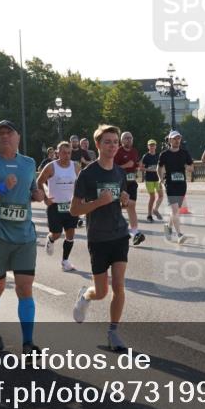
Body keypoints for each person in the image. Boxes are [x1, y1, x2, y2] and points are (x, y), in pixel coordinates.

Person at [0, 120, 45, 354]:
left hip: (25, 235)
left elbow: (31, 192)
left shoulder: (28, 163)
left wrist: (37, 194)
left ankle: (28, 343)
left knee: (25, 288)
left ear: (17, 138)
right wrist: (1, 189)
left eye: (8, 133)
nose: (4, 137)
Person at [70, 124, 131, 352]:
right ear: (98, 145)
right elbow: (74, 210)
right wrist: (98, 203)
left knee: (119, 285)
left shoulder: (119, 173)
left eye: (115, 142)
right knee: (102, 291)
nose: (113, 146)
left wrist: (123, 199)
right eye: (108, 142)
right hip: (98, 238)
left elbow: (119, 204)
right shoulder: (87, 175)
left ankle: (113, 332)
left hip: (119, 234)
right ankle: (86, 296)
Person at [37, 141, 81, 272]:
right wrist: (45, 198)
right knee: (56, 234)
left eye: (69, 153)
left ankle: (65, 261)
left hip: (70, 206)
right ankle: (50, 239)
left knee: (70, 234)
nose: (67, 155)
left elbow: (82, 183)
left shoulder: (76, 166)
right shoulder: (51, 167)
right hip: (55, 206)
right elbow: (38, 182)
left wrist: (81, 198)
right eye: (64, 153)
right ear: (58, 153)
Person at [157, 131, 194, 244]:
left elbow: (192, 168)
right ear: (169, 140)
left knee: (175, 210)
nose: (177, 140)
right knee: (174, 210)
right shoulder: (164, 154)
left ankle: (168, 226)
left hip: (182, 184)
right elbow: (159, 167)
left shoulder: (185, 153)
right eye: (174, 138)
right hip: (170, 184)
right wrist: (160, 178)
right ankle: (179, 234)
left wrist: (187, 167)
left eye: (178, 138)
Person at [113, 131, 147, 246]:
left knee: (131, 206)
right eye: (126, 138)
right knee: (119, 207)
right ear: (122, 141)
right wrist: (125, 166)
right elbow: (112, 167)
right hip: (120, 183)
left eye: (130, 138)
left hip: (132, 183)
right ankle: (118, 229)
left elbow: (134, 164)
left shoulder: (134, 151)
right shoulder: (117, 151)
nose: (129, 140)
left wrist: (138, 166)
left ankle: (135, 232)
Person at [139, 139, 164, 222]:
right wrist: (148, 169)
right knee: (152, 197)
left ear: (156, 146)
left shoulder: (159, 155)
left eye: (153, 145)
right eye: (150, 145)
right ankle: (149, 215)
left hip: (158, 179)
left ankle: (155, 209)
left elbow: (162, 166)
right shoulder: (146, 156)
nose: (152, 147)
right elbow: (141, 168)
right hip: (149, 179)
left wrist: (162, 174)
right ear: (148, 146)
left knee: (161, 195)